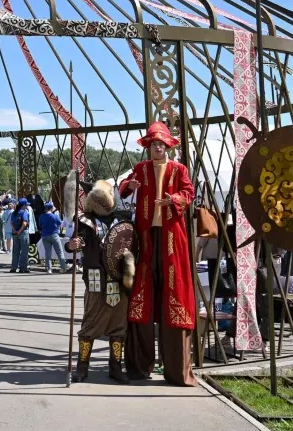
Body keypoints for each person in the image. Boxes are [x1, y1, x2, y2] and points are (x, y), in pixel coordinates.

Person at [119, 121, 197, 387]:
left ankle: (175, 368)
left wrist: (172, 200)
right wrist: (130, 185)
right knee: (142, 288)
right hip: (145, 235)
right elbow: (124, 186)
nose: (157, 148)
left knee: (173, 287)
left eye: (161, 145)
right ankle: (139, 365)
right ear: (148, 147)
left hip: (172, 235)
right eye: (153, 144)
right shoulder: (141, 168)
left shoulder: (178, 169)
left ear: (167, 147)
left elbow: (188, 192)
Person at [66, 176, 133, 384]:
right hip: (96, 280)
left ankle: (115, 367)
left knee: (118, 326)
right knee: (90, 324)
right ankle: (82, 367)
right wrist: (72, 245)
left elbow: (130, 241)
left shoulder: (122, 219)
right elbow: (74, 242)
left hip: (118, 279)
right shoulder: (85, 221)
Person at [39, 202, 67, 274]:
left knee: (48, 253)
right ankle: (63, 268)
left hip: (45, 236)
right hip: (54, 235)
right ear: (51, 208)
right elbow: (60, 224)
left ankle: (49, 269)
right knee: (59, 252)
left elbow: (40, 225)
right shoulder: (55, 216)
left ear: (45, 209)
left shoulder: (41, 216)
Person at [10, 198, 31, 273]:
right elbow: (24, 224)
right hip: (23, 233)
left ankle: (14, 267)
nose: (27, 206)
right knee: (24, 251)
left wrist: (15, 231)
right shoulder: (24, 212)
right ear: (24, 205)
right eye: (26, 205)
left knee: (15, 251)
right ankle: (23, 268)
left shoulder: (14, 212)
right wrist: (19, 231)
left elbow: (11, 223)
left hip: (15, 233)